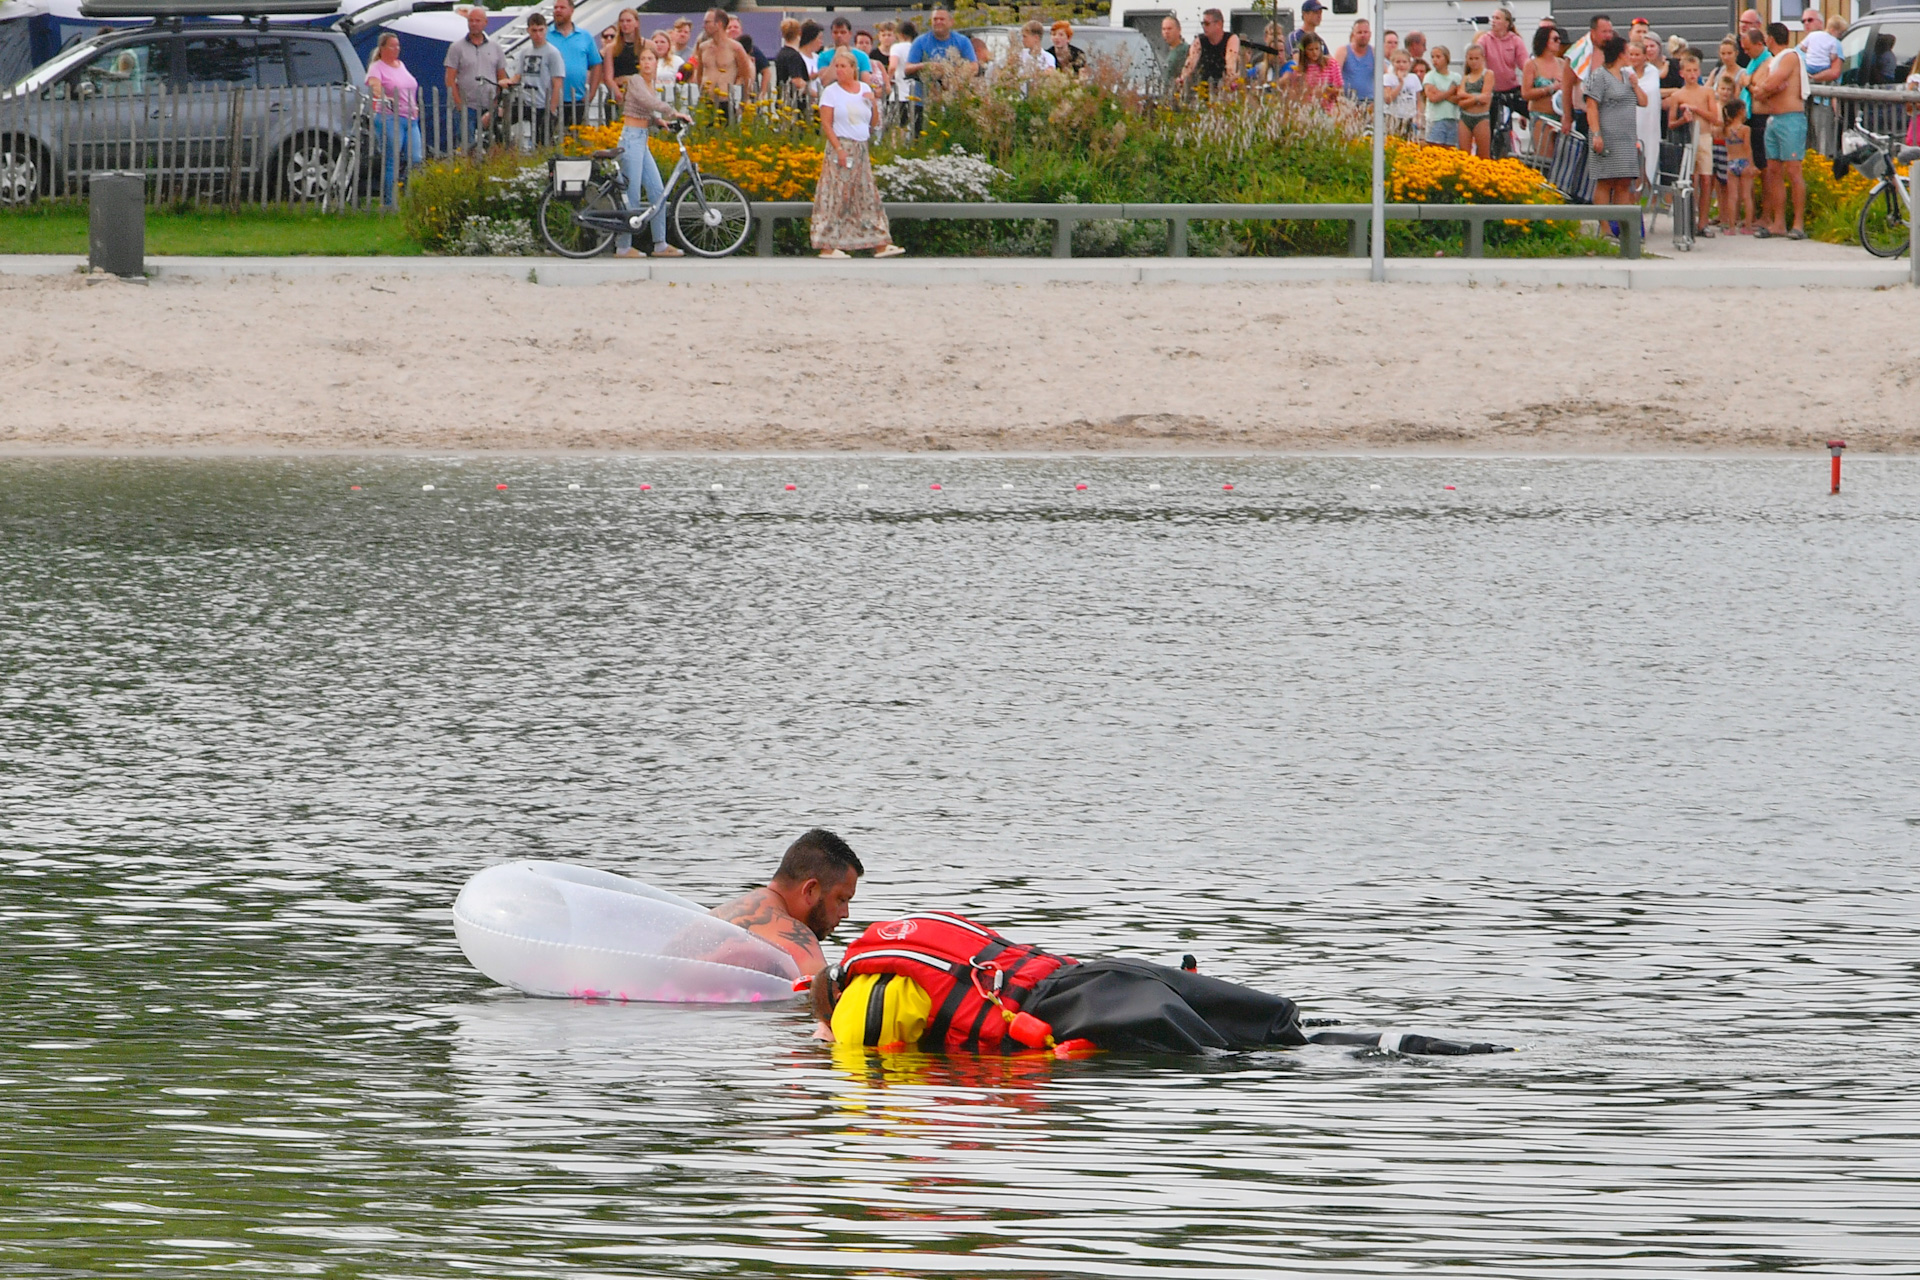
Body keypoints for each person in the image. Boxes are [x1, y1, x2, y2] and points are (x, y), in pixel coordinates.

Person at [808, 911, 1509, 1058]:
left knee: (1250, 1068)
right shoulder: (903, 935)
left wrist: (819, 1031)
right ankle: (1408, 1039)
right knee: (1288, 1032)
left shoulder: (865, 998)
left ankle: (1402, 1049)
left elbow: (875, 1063)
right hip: (1107, 971)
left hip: (1088, 1007)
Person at [711, 830, 864, 974]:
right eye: (841, 899)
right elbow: (828, 996)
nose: (845, 914)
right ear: (810, 890)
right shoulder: (796, 939)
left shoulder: (718, 915)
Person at [812, 50, 905, 260]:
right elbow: (826, 123)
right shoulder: (831, 92)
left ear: (854, 68)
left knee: (865, 195)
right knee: (837, 194)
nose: (839, 70)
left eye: (843, 66)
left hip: (861, 147)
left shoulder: (863, 88)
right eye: (837, 66)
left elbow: (872, 123)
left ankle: (879, 242)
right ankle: (827, 244)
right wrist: (839, 149)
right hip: (842, 145)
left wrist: (872, 101)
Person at [614, 46, 688, 259]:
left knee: (657, 191)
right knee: (633, 193)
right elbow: (647, 102)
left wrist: (659, 121)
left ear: (657, 63)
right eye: (643, 59)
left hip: (642, 139)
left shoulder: (651, 84)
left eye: (651, 59)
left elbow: (644, 109)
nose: (647, 62)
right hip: (631, 138)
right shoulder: (636, 81)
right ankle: (624, 247)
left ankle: (660, 243)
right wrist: (672, 111)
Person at [1584, 33, 1646, 234]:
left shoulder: (1629, 77)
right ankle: (1604, 228)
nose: (1630, 56)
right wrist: (1596, 134)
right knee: (1605, 181)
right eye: (1627, 52)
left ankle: (1623, 227)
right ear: (1619, 54)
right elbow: (1591, 106)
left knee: (1624, 181)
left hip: (1626, 138)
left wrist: (1636, 86)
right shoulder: (1599, 76)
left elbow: (1644, 102)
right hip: (1607, 136)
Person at [1751, 21, 1807, 239]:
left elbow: (1771, 84)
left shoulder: (1790, 56)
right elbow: (1757, 85)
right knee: (1773, 170)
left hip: (1791, 119)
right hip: (1773, 119)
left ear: (1770, 39)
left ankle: (1799, 224)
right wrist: (1764, 88)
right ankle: (1778, 223)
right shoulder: (1772, 61)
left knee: (1793, 171)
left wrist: (1765, 88)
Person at [1663, 51, 1720, 234]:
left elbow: (1715, 118)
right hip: (1687, 140)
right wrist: (1683, 120)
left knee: (1706, 178)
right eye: (1688, 71)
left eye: (1695, 70)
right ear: (1682, 73)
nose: (1692, 74)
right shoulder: (1678, 95)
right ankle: (1689, 220)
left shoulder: (1707, 92)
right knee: (1690, 180)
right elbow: (1671, 124)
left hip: (1704, 137)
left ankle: (1703, 222)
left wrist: (1697, 110)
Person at [365, 33, 422, 207]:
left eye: (397, 46)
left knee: (416, 158)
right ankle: (390, 202)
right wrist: (384, 97)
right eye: (392, 46)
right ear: (382, 48)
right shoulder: (377, 67)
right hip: (390, 117)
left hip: (410, 118)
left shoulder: (401, 65)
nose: (396, 49)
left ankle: (410, 195)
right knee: (392, 159)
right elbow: (375, 85)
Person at [444, 6, 507, 150]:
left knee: (493, 147)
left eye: (477, 21)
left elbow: (502, 78)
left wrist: (497, 105)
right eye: (470, 21)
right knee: (467, 148)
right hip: (467, 107)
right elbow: (450, 78)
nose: (473, 24)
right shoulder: (456, 48)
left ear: (485, 22)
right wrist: (459, 105)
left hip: (489, 105)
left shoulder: (495, 48)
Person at [508, 13, 567, 148]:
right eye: (534, 30)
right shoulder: (525, 52)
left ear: (546, 29)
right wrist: (508, 82)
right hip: (525, 100)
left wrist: (551, 110)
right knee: (500, 118)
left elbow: (557, 83)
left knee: (542, 143)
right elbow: (518, 75)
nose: (538, 34)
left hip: (543, 103)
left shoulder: (553, 53)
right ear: (528, 30)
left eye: (541, 30)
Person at [546, 0, 603, 128]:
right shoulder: (545, 36)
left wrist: (591, 94)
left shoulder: (584, 36)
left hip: (577, 99)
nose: (558, 10)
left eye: (562, 7)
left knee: (573, 140)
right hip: (550, 99)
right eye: (555, 8)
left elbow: (597, 64)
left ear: (572, 10)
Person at [1478, 7, 1527, 155]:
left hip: (1511, 89)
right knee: (1493, 127)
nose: (1493, 21)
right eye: (1492, 18)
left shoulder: (1515, 41)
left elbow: (1525, 65)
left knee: (1533, 109)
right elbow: (1477, 60)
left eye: (1497, 18)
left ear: (1507, 23)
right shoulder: (1485, 39)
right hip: (1492, 91)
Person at [903, 7, 978, 89]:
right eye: (935, 19)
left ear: (951, 22)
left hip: (954, 95)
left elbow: (974, 67)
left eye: (942, 19)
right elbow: (907, 69)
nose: (938, 22)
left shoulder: (962, 41)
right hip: (924, 96)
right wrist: (926, 66)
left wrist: (949, 70)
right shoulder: (920, 41)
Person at [1522, 24, 1566, 157]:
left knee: (1560, 158)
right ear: (1545, 41)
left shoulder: (1562, 63)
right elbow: (1526, 93)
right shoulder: (1532, 64)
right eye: (1555, 39)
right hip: (1541, 117)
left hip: (1560, 117)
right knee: (1545, 158)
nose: (1559, 42)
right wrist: (1549, 88)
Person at [694, 7, 754, 99]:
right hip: (706, 100)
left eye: (707, 22)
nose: (704, 26)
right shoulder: (703, 47)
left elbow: (745, 76)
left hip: (726, 100)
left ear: (719, 24)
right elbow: (699, 74)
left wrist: (743, 100)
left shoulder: (736, 48)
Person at [1181, 8, 1240, 91]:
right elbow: (1190, 63)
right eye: (1203, 24)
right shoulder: (1200, 41)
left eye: (1207, 24)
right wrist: (1183, 78)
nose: (1204, 27)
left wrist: (1228, 83)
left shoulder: (1231, 39)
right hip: (1203, 86)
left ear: (1219, 24)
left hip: (1222, 86)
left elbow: (1230, 64)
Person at [1629, 36, 1661, 189]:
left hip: (1649, 121)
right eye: (1631, 54)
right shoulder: (1624, 72)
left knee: (1649, 155)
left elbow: (1652, 92)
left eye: (1637, 55)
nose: (1634, 58)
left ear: (1644, 56)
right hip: (1630, 121)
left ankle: (1648, 189)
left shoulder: (1652, 71)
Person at [1722, 97, 1755, 232]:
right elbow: (1747, 147)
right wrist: (1751, 164)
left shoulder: (1726, 129)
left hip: (1731, 162)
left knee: (1732, 196)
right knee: (1747, 196)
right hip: (1743, 162)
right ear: (1741, 111)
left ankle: (1731, 227)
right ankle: (1748, 226)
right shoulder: (1745, 129)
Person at [1286, 34, 1343, 107]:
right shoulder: (1299, 70)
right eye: (1310, 49)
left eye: (1317, 49)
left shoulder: (1331, 64)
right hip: (1308, 107)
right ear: (1304, 51)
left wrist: (1327, 91)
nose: (1314, 52)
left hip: (1328, 107)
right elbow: (1296, 92)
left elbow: (1339, 87)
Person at [1423, 45, 1463, 147]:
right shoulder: (1430, 76)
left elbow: (1459, 98)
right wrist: (1450, 91)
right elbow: (1432, 97)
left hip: (1453, 118)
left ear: (1446, 58)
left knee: (1451, 148)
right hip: (1436, 119)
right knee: (1435, 147)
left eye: (1438, 56)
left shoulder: (1456, 77)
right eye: (1432, 57)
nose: (1434, 60)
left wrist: (1441, 94)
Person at [605, 8, 644, 110]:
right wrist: (618, 95)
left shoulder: (646, 45)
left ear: (636, 23)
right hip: (617, 94)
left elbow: (651, 73)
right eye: (622, 21)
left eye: (628, 21)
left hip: (639, 95)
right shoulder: (611, 48)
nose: (625, 24)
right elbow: (608, 77)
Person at [1384, 49, 1420, 135]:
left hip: (1409, 117)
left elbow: (1419, 100)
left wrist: (1418, 116)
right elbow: (1388, 99)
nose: (1401, 65)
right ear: (1393, 63)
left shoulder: (1413, 78)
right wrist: (1400, 83)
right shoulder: (1387, 78)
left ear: (1409, 63)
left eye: (1404, 62)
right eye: (1398, 62)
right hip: (1393, 116)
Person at [1339, 19, 1375, 105]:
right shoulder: (1343, 51)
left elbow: (1385, 74)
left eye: (1365, 32)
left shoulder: (1374, 52)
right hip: (1348, 101)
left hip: (1369, 101)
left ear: (1370, 35)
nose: (1363, 35)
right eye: (1359, 32)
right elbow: (1335, 74)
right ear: (1353, 35)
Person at [774, 18, 810, 97]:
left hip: (781, 98)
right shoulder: (794, 56)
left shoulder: (781, 54)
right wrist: (813, 92)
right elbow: (796, 81)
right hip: (794, 103)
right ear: (799, 33)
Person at [1160, 15, 1189, 91]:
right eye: (1164, 29)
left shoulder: (1184, 50)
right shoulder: (1169, 51)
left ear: (1179, 30)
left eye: (1169, 29)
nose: (1166, 32)